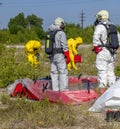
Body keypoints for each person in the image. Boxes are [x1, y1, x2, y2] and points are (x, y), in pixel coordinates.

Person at [92, 10, 120, 89]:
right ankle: (112, 90)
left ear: (100, 17)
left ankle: (102, 90)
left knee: (102, 71)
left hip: (103, 51)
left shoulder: (100, 26)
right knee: (111, 72)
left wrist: (97, 49)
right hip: (112, 52)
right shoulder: (113, 26)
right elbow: (118, 40)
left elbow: (95, 38)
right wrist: (114, 50)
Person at [48, 17, 70, 91]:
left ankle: (55, 90)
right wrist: (68, 56)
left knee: (54, 72)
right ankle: (64, 90)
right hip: (59, 54)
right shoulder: (61, 33)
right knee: (63, 71)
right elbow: (64, 46)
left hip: (51, 55)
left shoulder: (50, 32)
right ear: (60, 24)